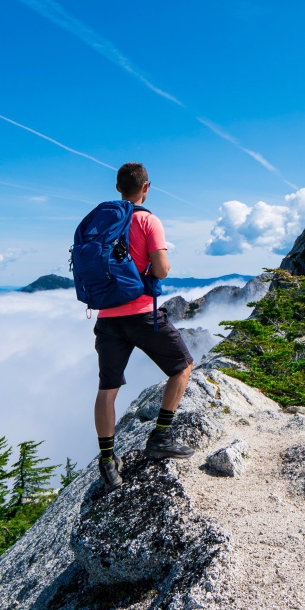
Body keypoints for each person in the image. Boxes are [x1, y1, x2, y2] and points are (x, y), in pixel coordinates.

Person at [93, 161, 194, 488]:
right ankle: (160, 438)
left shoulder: (102, 224)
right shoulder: (148, 221)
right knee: (182, 367)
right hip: (141, 313)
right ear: (146, 188)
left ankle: (108, 462)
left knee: (107, 391)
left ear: (118, 188)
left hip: (107, 317)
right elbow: (162, 270)